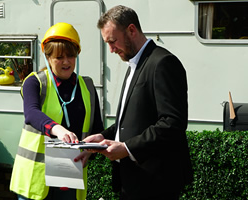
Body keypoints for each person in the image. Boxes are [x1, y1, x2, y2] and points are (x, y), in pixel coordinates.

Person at [82, 5, 193, 200]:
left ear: (131, 30)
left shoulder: (163, 63)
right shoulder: (134, 63)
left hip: (156, 183)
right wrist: (102, 136)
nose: (111, 49)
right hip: (133, 180)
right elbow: (131, 121)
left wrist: (126, 148)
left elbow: (172, 123)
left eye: (113, 41)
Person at [10, 22, 104, 200]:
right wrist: (58, 129)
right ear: (48, 58)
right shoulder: (35, 82)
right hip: (35, 179)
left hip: (70, 176)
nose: (66, 61)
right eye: (59, 57)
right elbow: (31, 113)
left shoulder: (88, 86)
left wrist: (89, 152)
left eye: (71, 55)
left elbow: (97, 128)